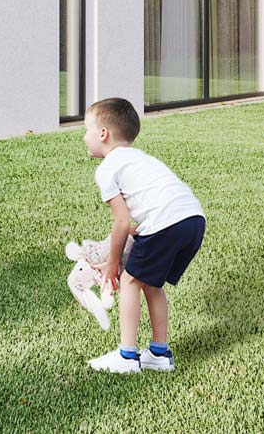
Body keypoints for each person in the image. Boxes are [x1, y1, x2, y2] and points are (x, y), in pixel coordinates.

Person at [81, 96, 207, 375]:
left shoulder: (107, 168)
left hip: (168, 221)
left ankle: (126, 357)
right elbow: (146, 213)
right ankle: (159, 354)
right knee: (152, 284)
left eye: (86, 130)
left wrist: (113, 265)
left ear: (103, 134)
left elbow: (122, 221)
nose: (84, 137)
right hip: (193, 220)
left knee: (129, 281)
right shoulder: (141, 158)